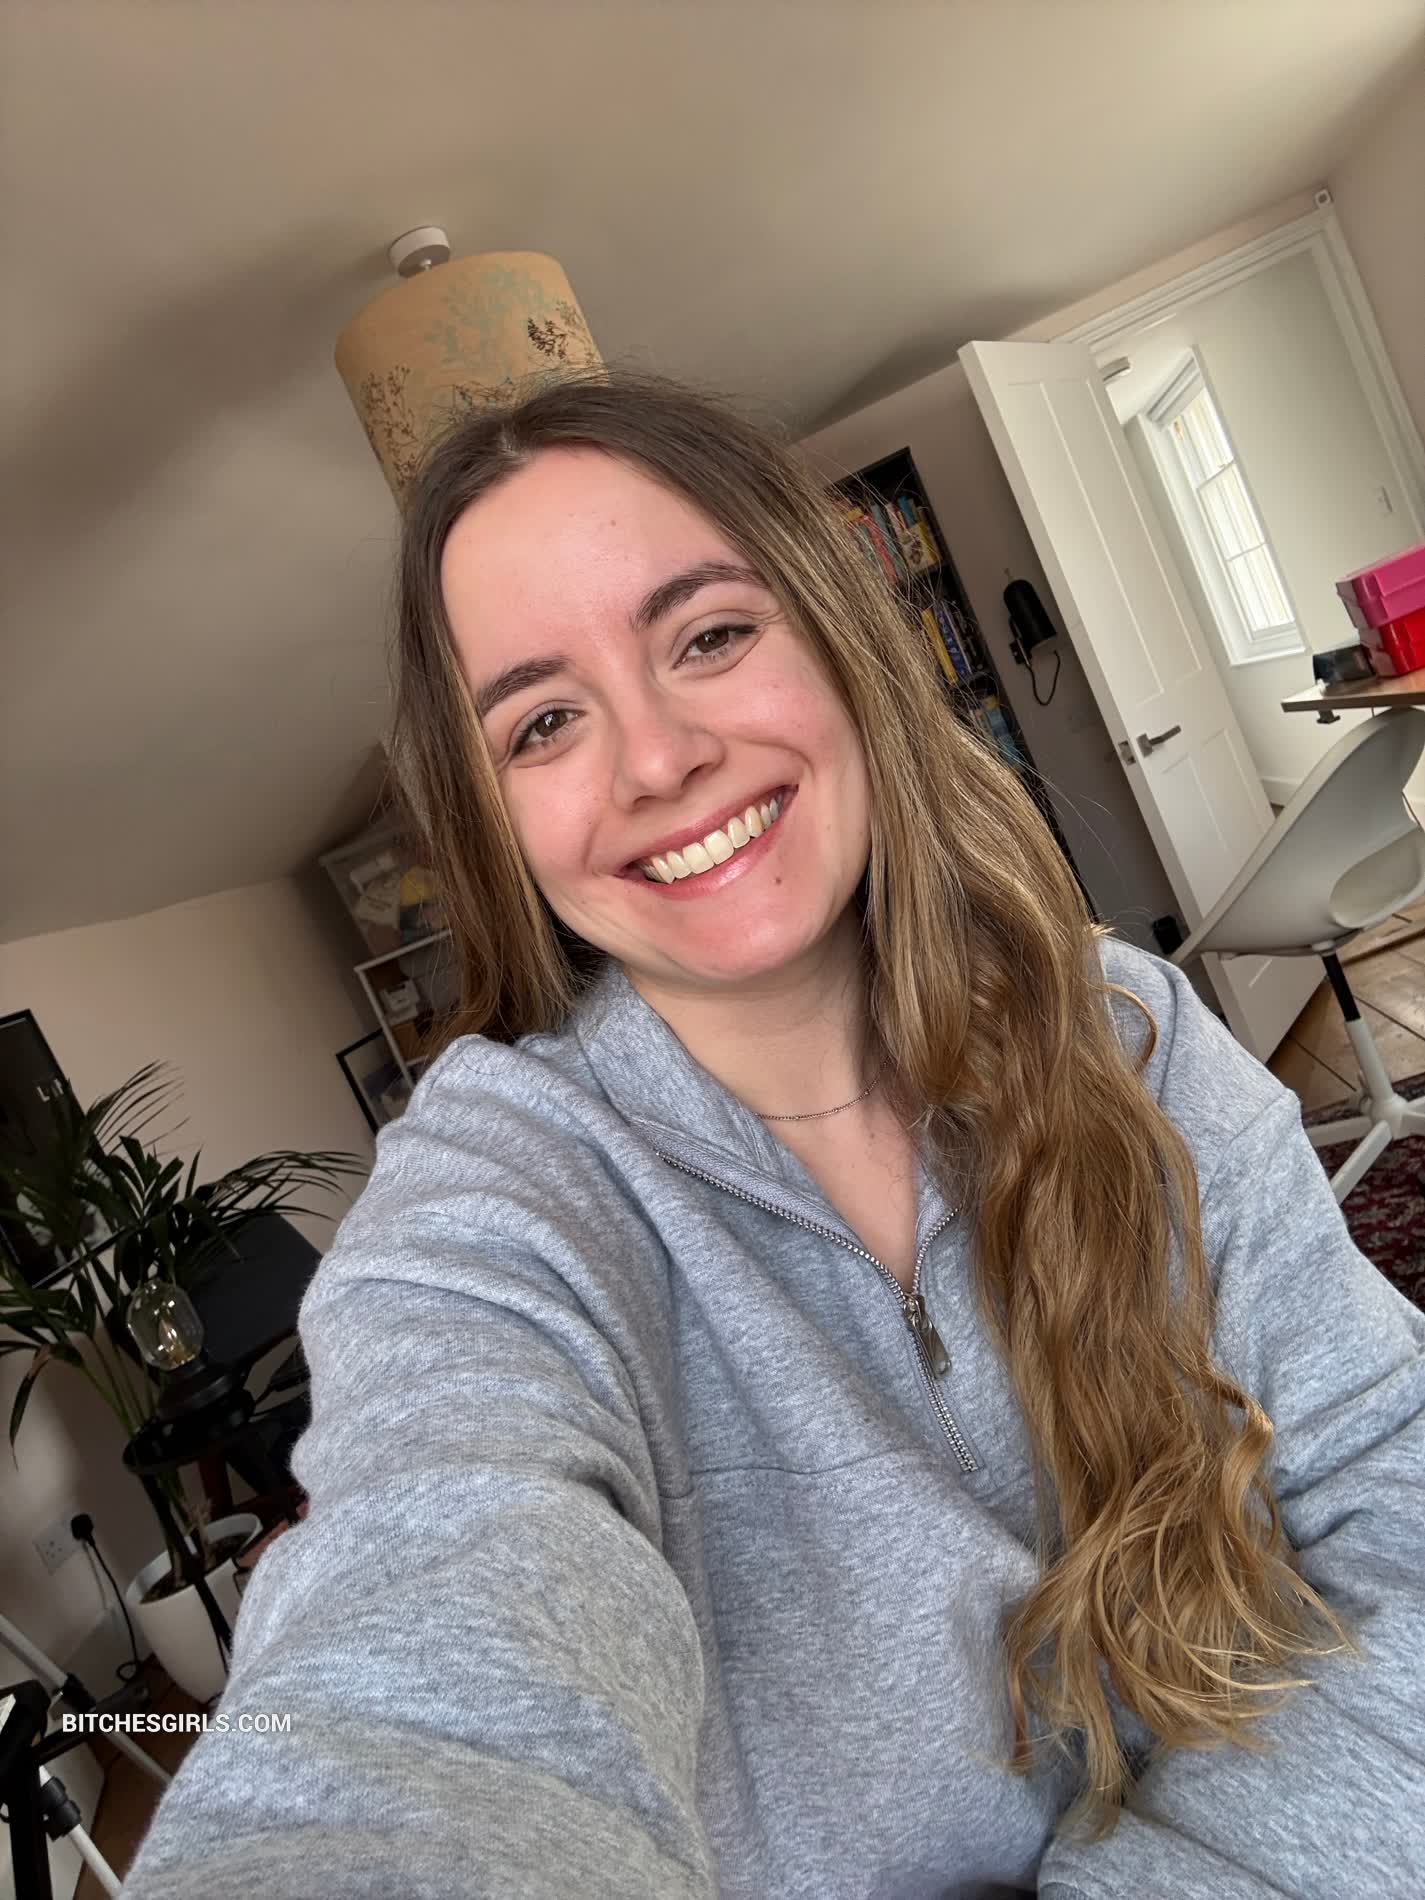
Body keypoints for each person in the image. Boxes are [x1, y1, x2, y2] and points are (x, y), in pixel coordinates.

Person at [121, 369, 1424, 1899]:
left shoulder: (1127, 1031)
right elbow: (426, 1610)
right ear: (497, 824)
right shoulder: (502, 1200)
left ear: (840, 640)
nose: (655, 758)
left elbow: (1392, 1479)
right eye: (544, 721)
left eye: (709, 636)